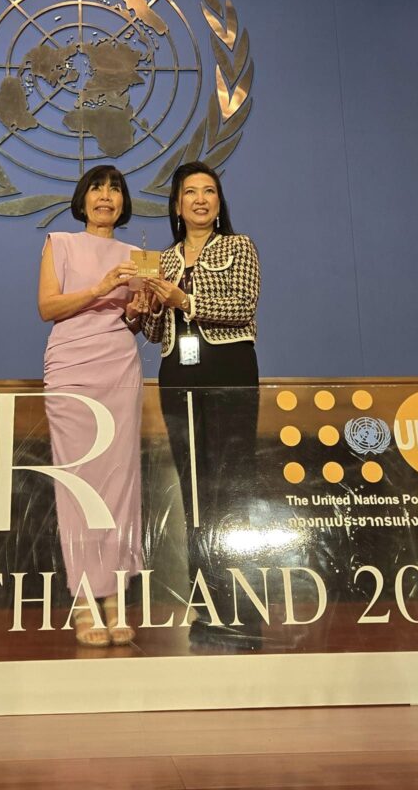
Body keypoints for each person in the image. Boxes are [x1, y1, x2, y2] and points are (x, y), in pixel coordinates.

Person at [141, 161, 262, 643]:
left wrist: (185, 301)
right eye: (190, 192)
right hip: (177, 373)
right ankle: (207, 607)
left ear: (218, 202)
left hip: (229, 369)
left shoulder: (239, 246)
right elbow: (154, 331)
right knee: (193, 488)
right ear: (176, 205)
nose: (200, 199)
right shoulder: (162, 260)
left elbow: (243, 307)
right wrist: (148, 307)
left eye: (209, 191)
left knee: (230, 483)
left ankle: (244, 610)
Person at [38, 165, 151, 647]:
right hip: (71, 367)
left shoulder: (137, 256)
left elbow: (137, 323)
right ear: (82, 199)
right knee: (78, 480)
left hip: (119, 365)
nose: (106, 196)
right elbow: (48, 307)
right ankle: (85, 598)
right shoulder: (59, 243)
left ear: (124, 203)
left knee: (120, 480)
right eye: (97, 189)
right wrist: (100, 289)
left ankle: (115, 596)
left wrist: (139, 311)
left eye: (115, 189)